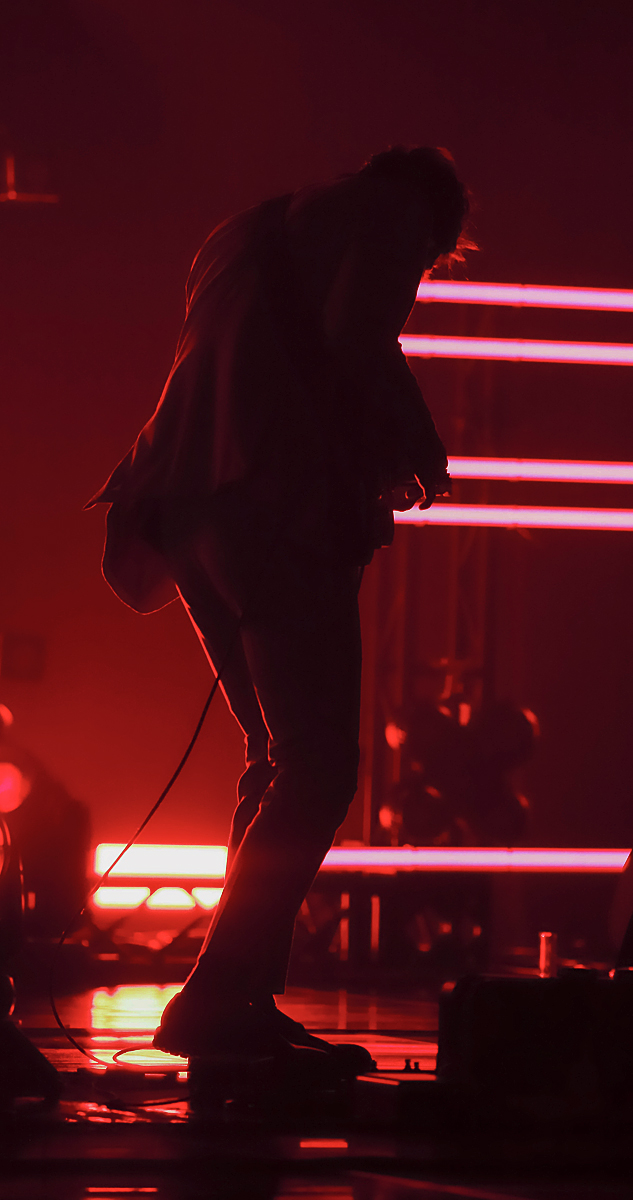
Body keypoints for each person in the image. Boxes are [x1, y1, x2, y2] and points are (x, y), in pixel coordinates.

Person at [87, 146, 470, 1067]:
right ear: (434, 221)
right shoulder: (393, 213)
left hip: (178, 504)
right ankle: (222, 996)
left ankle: (240, 998)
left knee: (275, 758)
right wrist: (423, 453)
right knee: (320, 764)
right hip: (273, 500)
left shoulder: (242, 231)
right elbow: (357, 341)